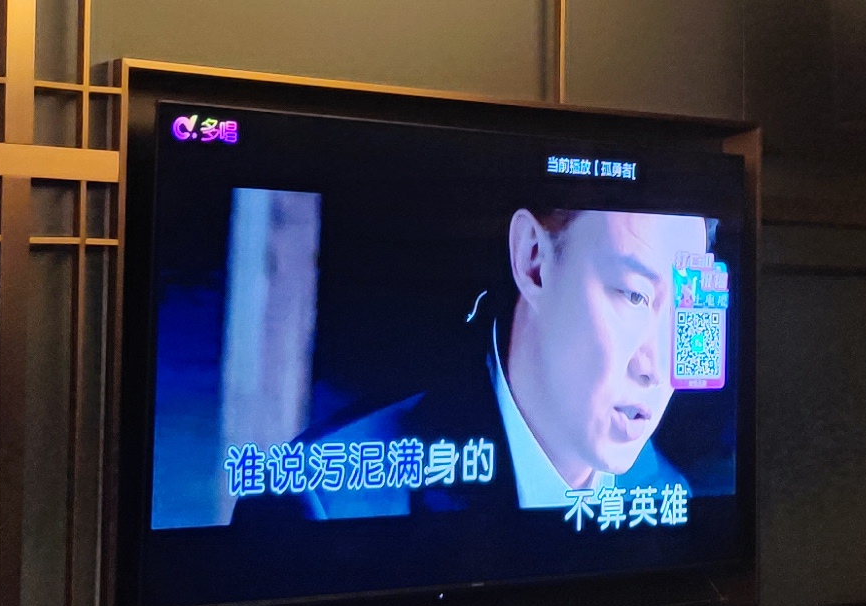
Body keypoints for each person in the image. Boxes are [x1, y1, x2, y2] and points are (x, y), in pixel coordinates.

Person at [283, 205, 725, 521]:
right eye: (634, 295)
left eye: (683, 311)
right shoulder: (327, 495)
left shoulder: (669, 494)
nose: (659, 367)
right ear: (533, 261)